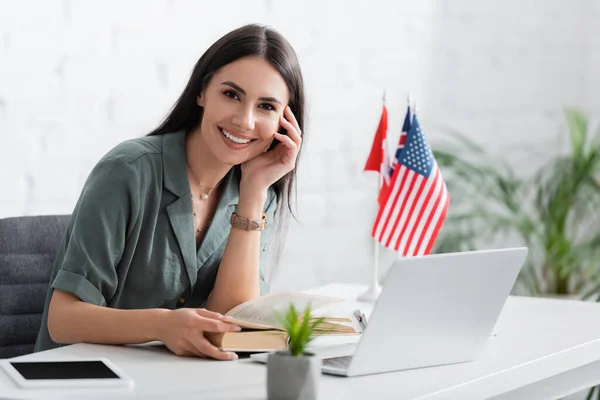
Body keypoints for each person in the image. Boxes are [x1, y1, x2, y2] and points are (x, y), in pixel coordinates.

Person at [34, 24, 305, 361]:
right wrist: (162, 325)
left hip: (176, 382)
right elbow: (63, 320)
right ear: (202, 92)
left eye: (266, 106)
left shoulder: (258, 193)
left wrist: (252, 194)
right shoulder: (128, 171)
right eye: (231, 94)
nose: (245, 121)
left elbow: (230, 327)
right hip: (84, 379)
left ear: (284, 121)